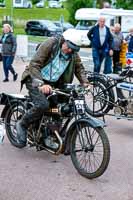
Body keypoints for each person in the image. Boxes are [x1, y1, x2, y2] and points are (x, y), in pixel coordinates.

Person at [16, 33, 90, 146]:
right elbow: (34, 64)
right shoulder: (51, 44)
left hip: (54, 83)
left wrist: (85, 82)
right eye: (69, 47)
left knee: (61, 107)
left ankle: (50, 134)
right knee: (42, 105)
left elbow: (79, 68)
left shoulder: (73, 55)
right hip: (35, 78)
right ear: (64, 41)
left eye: (73, 49)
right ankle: (22, 124)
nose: (70, 50)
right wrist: (40, 83)